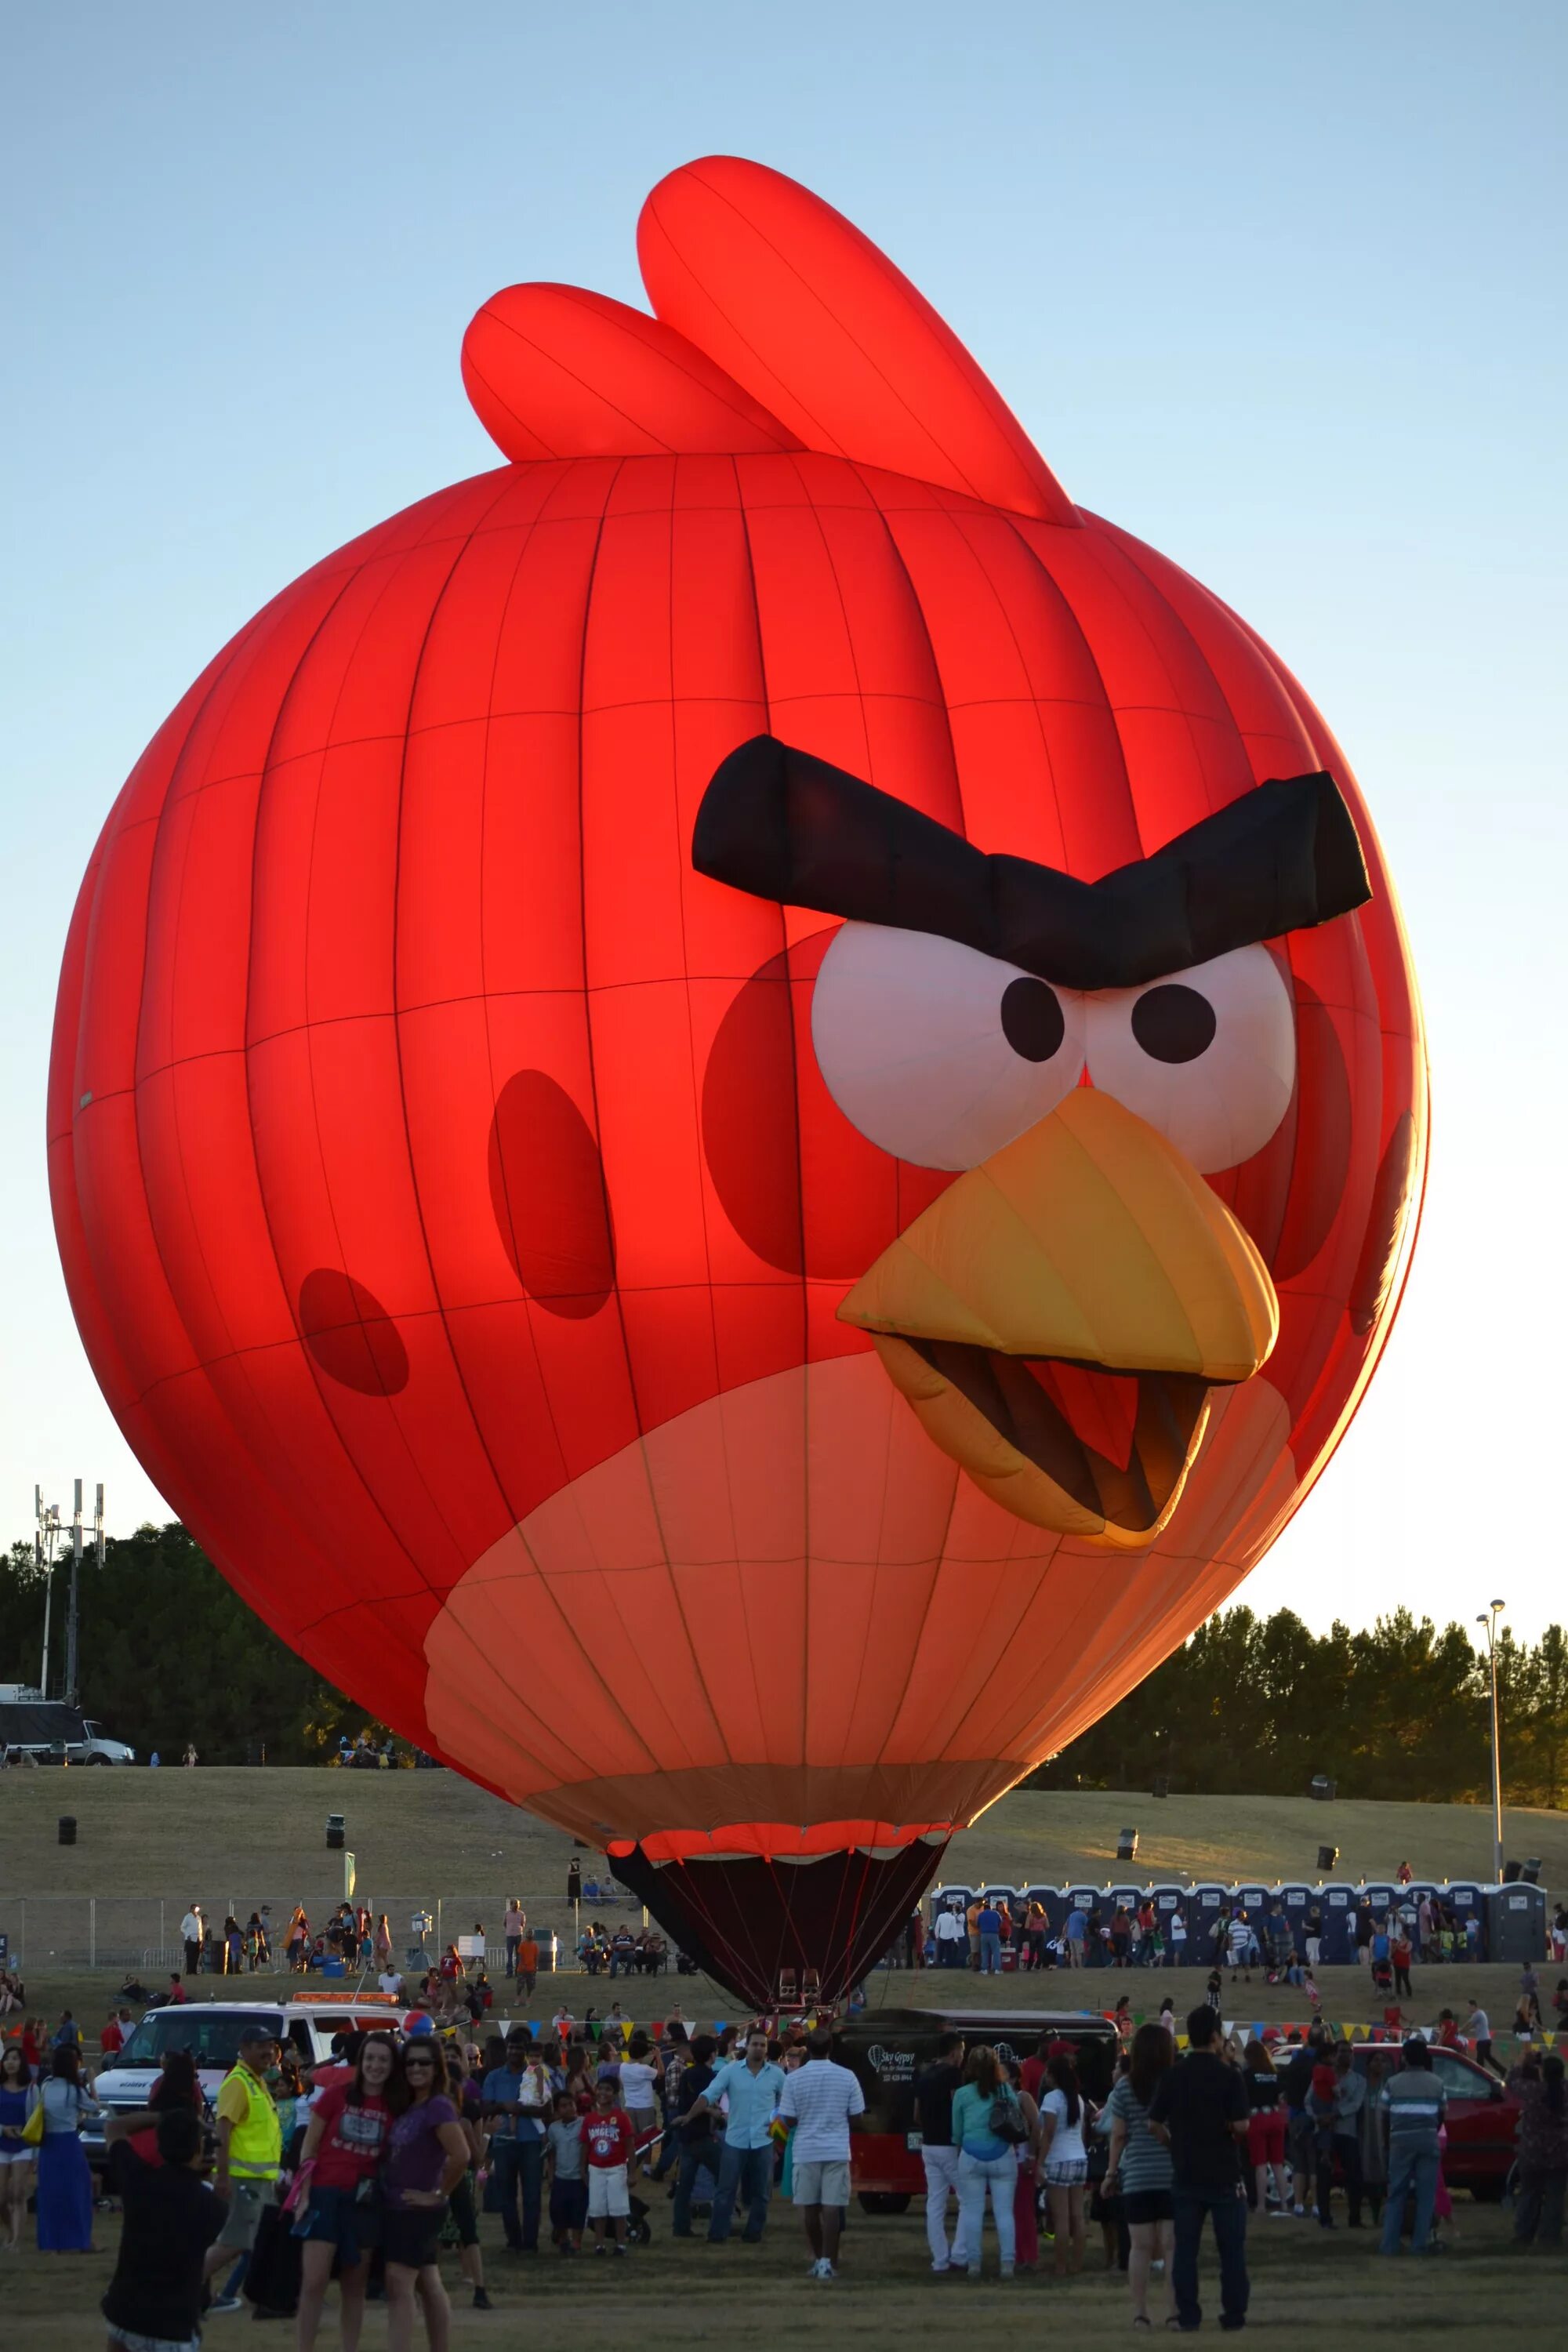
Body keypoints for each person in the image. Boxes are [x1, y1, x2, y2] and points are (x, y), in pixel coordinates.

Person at [1146, 2005, 1250, 2334]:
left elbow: (1153, 2123)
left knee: (1186, 2252)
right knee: (1231, 2251)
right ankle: (1233, 2315)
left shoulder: (1174, 2074)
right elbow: (1243, 2125)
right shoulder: (1229, 2074)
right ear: (1216, 2036)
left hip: (1186, 2172)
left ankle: (1188, 2316)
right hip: (1224, 2172)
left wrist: (1172, 2144)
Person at [293, 2031, 395, 2350]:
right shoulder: (336, 2095)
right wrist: (304, 2194)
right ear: (360, 2060)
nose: (375, 2065)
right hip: (324, 2194)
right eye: (370, 2058)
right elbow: (308, 2148)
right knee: (314, 2282)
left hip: (365, 2201)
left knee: (355, 2286)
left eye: (383, 2059)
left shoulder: (396, 2106)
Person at [100, 2100, 228, 2352]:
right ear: (199, 2148)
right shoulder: (212, 2206)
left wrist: (165, 2117)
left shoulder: (138, 2180)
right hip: (173, 2328)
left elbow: (114, 2128)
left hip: (124, 2315)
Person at [383, 2038, 469, 2351]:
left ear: (437, 2068)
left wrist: (437, 2194)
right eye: (410, 2063)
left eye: (424, 2063)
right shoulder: (412, 2105)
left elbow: (461, 2155)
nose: (416, 2068)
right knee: (428, 2283)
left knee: (398, 2283)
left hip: (416, 2210)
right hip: (400, 2206)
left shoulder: (438, 2105)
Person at [776, 2027, 866, 2281]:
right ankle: (828, 2261)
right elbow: (858, 2117)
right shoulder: (847, 2076)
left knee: (809, 2208)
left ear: (808, 2049)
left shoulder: (794, 2078)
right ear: (830, 2048)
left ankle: (818, 2259)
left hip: (806, 2149)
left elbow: (790, 2119)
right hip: (837, 2148)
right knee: (832, 2208)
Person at [203, 2023, 281, 2311]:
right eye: (262, 2046)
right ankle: (185, 2287)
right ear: (245, 2049)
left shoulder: (256, 2081)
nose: (269, 2052)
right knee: (234, 2242)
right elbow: (222, 2131)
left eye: (271, 2047)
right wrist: (221, 2175)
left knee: (259, 2242)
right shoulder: (238, 2083)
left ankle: (268, 2296)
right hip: (244, 2179)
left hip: (260, 2180)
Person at [680, 2024, 782, 2244]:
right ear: (746, 2046)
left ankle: (753, 2233)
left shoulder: (776, 2074)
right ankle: (718, 2233)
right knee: (726, 2189)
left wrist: (778, 2128)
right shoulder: (731, 2070)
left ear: (767, 2048)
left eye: (762, 2045)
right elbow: (708, 2095)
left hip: (763, 2140)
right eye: (754, 2044)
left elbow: (789, 2101)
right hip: (736, 2140)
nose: (758, 2048)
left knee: (762, 2193)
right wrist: (689, 2117)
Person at [1103, 2022, 1176, 2328]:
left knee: (1140, 2247)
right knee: (1173, 2248)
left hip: (1136, 2176)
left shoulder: (1124, 2087)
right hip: (1172, 2174)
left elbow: (1118, 2135)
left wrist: (1110, 2173)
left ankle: (1140, 2313)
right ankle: (1174, 2313)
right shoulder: (1176, 2083)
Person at [949, 2043, 1022, 2278]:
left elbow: (957, 2133)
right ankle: (1007, 2264)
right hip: (1002, 2155)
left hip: (971, 2156)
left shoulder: (962, 2095)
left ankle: (974, 2264)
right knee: (1004, 2212)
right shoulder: (1005, 2091)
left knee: (971, 2211)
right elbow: (1017, 2117)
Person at [481, 2027, 552, 2252]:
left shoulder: (537, 2073)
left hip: (531, 2141)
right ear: (505, 2049)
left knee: (532, 2195)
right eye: (510, 2047)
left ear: (526, 2051)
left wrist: (522, 2109)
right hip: (503, 2141)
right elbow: (485, 2108)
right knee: (506, 2195)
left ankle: (530, 2242)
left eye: (519, 2048)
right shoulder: (494, 2076)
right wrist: (503, 2106)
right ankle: (513, 2240)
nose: (514, 2051)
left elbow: (547, 2109)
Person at [1378, 2036, 1446, 2255]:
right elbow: (1441, 2114)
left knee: (1396, 2193)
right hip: (1427, 2140)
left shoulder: (1393, 2083)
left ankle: (1389, 2244)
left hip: (1400, 2141)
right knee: (1426, 2195)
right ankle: (1420, 2244)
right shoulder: (1437, 2082)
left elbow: (1384, 2114)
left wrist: (1388, 2140)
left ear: (1404, 2058)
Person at [35, 2044, 97, 2252]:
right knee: (77, 2192)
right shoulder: (75, 2090)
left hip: (49, 2143)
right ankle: (80, 2240)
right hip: (69, 2142)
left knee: (51, 2193)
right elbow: (94, 2107)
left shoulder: (46, 2085)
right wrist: (92, 2082)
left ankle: (52, 2240)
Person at [913, 2029, 966, 2274]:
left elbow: (916, 2114)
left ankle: (939, 2259)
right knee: (968, 2199)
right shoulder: (954, 2075)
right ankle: (959, 2254)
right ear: (955, 2052)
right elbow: (958, 2109)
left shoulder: (924, 2074)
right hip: (950, 2145)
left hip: (929, 2145)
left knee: (935, 2202)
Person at [1508, 2049, 1568, 2248]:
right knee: (1555, 2198)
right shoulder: (1564, 2091)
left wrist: (1521, 2062)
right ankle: (1550, 2238)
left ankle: (1524, 2235)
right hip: (1560, 2153)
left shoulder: (1534, 2090)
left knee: (1529, 2195)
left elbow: (1512, 2083)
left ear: (1543, 2073)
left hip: (1532, 2153)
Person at [1039, 2047, 1091, 2276]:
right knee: (1077, 2217)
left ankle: (1060, 2267)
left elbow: (1048, 2134)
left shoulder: (1052, 2099)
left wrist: (1040, 2162)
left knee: (1061, 2219)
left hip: (1059, 2160)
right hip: (1079, 2158)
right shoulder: (1077, 2099)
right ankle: (1076, 2265)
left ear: (1054, 2075)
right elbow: (1081, 2133)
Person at [581, 2078, 638, 2254]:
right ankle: (600, 2244)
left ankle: (621, 2243)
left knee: (618, 2209)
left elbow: (630, 2147)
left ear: (614, 2094)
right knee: (598, 2210)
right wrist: (583, 2170)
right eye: (601, 2089)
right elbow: (585, 2146)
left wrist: (632, 2173)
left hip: (616, 2168)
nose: (603, 2093)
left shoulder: (621, 2118)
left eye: (608, 2090)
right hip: (596, 2169)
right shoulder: (590, 2119)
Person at [1000, 2056, 1042, 2270]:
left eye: (1003, 2073)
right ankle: (1015, 2255)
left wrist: (1032, 2156)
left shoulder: (1023, 2097)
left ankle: (1030, 2256)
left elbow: (1037, 2126)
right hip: (1004, 2159)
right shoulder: (997, 2097)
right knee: (1009, 2210)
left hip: (1022, 2158)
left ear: (1014, 2078)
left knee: (1024, 2210)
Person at [1242, 2038, 1290, 2214]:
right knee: (1278, 2164)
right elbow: (1281, 2095)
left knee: (1260, 2164)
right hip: (1276, 2117)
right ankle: (1284, 2204)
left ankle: (1261, 2205)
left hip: (1257, 2118)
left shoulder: (1247, 2075)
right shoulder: (1274, 2073)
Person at [0, 2042, 41, 2249]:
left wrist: (36, 2154)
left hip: (24, 2146)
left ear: (21, 2062)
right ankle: (8, 2232)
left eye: (15, 2059)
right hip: (2, 2145)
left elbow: (37, 2121)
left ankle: (16, 2240)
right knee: (1, 2198)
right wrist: (3, 2129)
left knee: (17, 2194)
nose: (10, 2063)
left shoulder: (32, 2089)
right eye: (7, 2059)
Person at [546, 2089, 589, 2252]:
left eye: (571, 2104)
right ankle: (563, 2238)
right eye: (563, 2106)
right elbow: (552, 2154)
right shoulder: (553, 2129)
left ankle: (577, 2241)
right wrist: (551, 2175)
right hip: (561, 2176)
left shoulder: (584, 2124)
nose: (568, 2108)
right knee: (558, 2209)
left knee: (578, 2210)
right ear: (557, 2111)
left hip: (579, 2177)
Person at [975, 1896, 1004, 1976]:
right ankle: (997, 1969)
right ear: (990, 1908)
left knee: (984, 1952)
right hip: (994, 1934)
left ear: (984, 1908)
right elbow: (1000, 1923)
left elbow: (978, 1925)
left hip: (984, 1934)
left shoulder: (981, 1915)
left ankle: (984, 1969)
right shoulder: (996, 1914)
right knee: (996, 1951)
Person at [934, 1902, 966, 1967]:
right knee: (949, 1953)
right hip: (950, 1938)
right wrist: (956, 1940)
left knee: (940, 1952)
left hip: (942, 1937)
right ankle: (949, 1965)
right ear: (951, 1910)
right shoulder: (952, 1918)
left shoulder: (940, 1916)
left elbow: (937, 1927)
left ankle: (939, 1964)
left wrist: (937, 1936)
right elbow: (954, 1930)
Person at [180, 1901, 203, 1978]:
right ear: (191, 1909)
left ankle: (194, 1971)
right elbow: (182, 1927)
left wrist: (201, 1939)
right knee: (190, 1956)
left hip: (198, 1939)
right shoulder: (188, 1917)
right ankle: (189, 1972)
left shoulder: (199, 1918)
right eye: (194, 1908)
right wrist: (187, 1934)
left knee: (196, 1956)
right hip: (190, 1939)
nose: (195, 1909)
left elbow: (200, 1929)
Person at [503, 1900, 525, 1980]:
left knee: (519, 1954)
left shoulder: (522, 1914)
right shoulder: (507, 1914)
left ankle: (518, 1972)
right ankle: (509, 1972)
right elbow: (505, 1923)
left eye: (518, 1904)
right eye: (515, 1904)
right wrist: (510, 1930)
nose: (516, 1905)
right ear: (511, 1905)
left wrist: (518, 1930)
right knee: (509, 1954)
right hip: (509, 1936)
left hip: (518, 1936)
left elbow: (523, 1924)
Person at [516, 1929, 539, 2001]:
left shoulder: (535, 1945)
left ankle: (528, 1999)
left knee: (531, 1986)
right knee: (520, 1986)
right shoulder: (522, 1944)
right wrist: (523, 1965)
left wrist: (536, 1967)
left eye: (531, 1933)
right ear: (526, 1935)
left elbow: (536, 1957)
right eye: (528, 1933)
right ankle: (518, 1998)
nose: (530, 1935)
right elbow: (520, 1956)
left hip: (531, 1969)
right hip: (522, 1969)